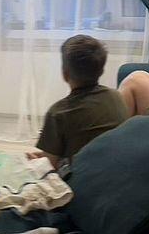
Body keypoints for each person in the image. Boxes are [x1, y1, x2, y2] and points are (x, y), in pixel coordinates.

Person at [29, 35, 129, 167]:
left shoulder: (58, 113)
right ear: (101, 70)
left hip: (84, 177)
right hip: (118, 169)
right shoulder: (116, 97)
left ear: (65, 74)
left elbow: (49, 166)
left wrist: (39, 161)